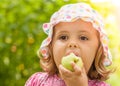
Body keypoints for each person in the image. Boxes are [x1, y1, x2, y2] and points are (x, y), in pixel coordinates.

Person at [25, 3, 113, 86]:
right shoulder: (37, 81)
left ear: (98, 50)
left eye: (83, 38)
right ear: (51, 46)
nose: (72, 44)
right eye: (63, 37)